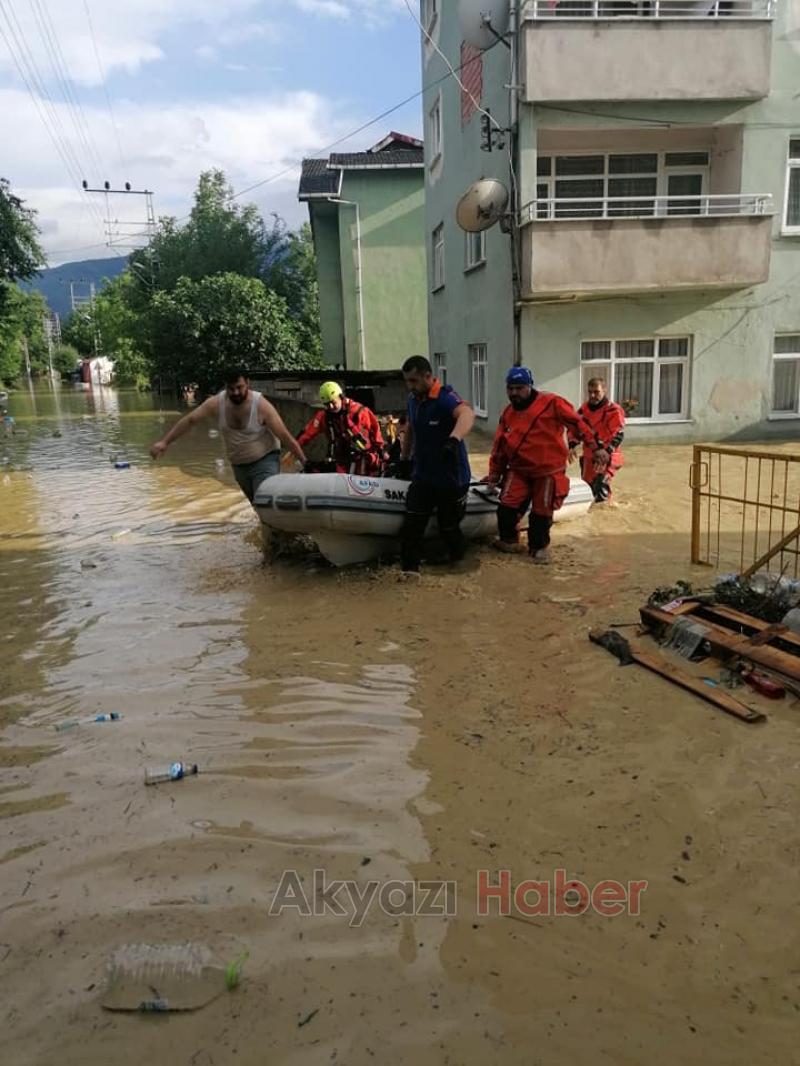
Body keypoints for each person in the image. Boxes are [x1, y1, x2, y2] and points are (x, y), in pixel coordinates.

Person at [485, 366, 604, 565]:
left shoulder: (552, 403)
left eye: (519, 388)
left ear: (529, 386)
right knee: (506, 508)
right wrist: (495, 473)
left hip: (548, 471)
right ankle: (509, 542)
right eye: (510, 388)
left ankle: (538, 548)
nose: (514, 393)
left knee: (541, 513)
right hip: (519, 470)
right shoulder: (508, 413)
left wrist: (596, 447)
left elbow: (578, 424)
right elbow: (500, 445)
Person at [149, 368, 306, 503]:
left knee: (264, 499)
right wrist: (165, 442)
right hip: (239, 465)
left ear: (248, 383)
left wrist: (305, 463)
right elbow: (190, 420)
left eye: (240, 387)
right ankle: (269, 527)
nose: (236, 392)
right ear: (226, 387)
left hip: (265, 459)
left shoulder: (261, 405)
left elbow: (285, 436)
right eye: (231, 389)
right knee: (256, 505)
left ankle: (280, 527)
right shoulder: (217, 403)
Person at [398, 355, 474, 575]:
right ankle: (409, 573)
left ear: (428, 376)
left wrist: (454, 439)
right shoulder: (413, 400)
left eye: (414, 381)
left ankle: (460, 564)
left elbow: (467, 414)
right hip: (423, 475)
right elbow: (411, 429)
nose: (410, 386)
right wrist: (404, 459)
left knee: (448, 527)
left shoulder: (444, 398)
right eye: (407, 381)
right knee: (411, 525)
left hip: (452, 477)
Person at [297, 382, 386, 476]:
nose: (331, 406)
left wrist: (382, 452)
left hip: (365, 461)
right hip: (342, 461)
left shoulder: (359, 411)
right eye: (327, 404)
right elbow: (306, 434)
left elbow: (376, 433)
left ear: (340, 397)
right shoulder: (324, 417)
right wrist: (295, 447)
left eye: (333, 402)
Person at [568, 377, 625, 503]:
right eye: (590, 392)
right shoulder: (583, 410)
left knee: (601, 490)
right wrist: (572, 445)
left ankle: (606, 511)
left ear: (604, 390)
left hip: (608, 456)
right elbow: (575, 428)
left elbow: (618, 434)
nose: (592, 395)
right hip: (590, 456)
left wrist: (607, 452)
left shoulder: (613, 410)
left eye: (596, 392)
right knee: (587, 490)